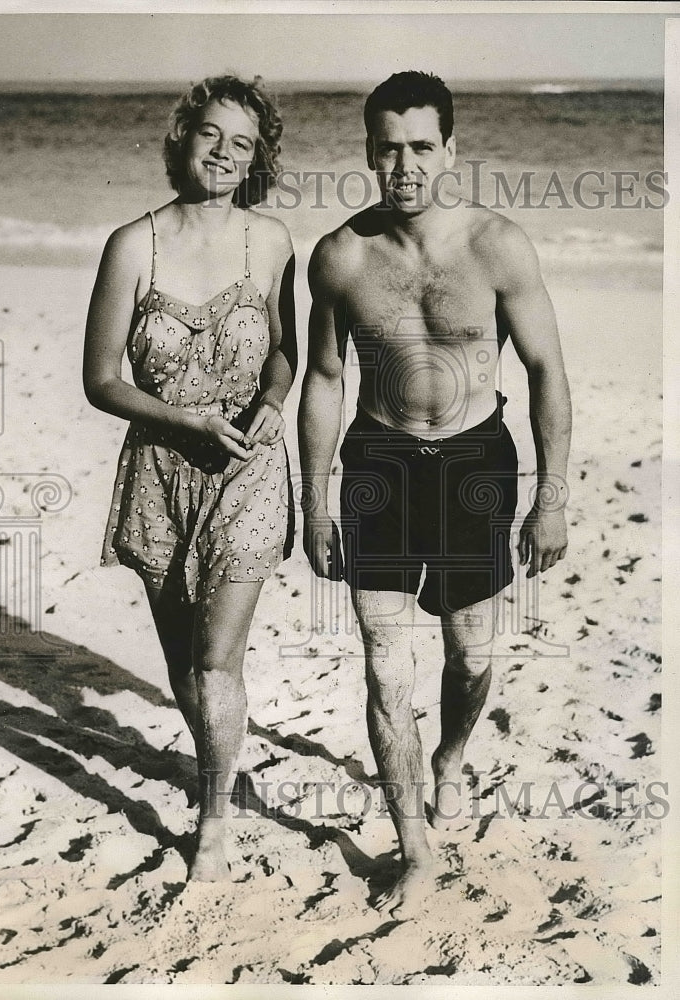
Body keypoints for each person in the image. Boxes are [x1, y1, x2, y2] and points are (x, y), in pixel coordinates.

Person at [298, 71, 571, 917]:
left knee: (470, 655)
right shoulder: (341, 255)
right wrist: (315, 500)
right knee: (384, 668)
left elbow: (547, 372)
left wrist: (550, 495)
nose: (406, 165)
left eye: (422, 146)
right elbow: (325, 378)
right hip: (379, 463)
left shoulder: (497, 245)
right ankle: (413, 844)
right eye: (389, 148)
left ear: (450, 148)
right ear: (369, 152)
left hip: (473, 465)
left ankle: (450, 755)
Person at [84, 75, 296, 881]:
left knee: (216, 663)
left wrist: (273, 399)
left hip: (248, 469)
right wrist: (185, 420)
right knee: (184, 667)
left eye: (242, 143)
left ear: (256, 159)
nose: (223, 152)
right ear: (182, 136)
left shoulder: (271, 241)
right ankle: (217, 759)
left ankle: (213, 821)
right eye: (211, 134)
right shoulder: (132, 244)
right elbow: (102, 378)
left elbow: (287, 350)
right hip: (160, 470)